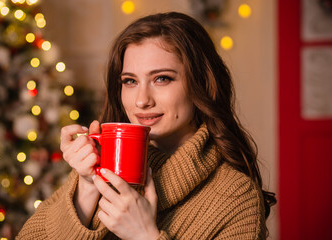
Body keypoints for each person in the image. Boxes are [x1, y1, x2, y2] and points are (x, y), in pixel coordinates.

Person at [17, 12, 276, 239]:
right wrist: (85, 189)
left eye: (162, 78)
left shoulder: (236, 198)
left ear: (200, 84)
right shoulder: (103, 164)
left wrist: (144, 236)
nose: (142, 100)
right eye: (130, 81)